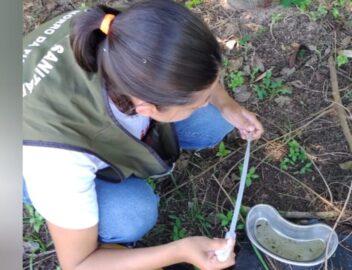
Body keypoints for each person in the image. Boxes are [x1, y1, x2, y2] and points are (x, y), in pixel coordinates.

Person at [22, 0, 264, 269]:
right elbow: (79, 264)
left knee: (213, 121)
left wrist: (227, 105)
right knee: (130, 214)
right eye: (199, 100)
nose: (207, 102)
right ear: (147, 108)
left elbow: (197, 72)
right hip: (22, 151)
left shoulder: (132, 34)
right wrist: (179, 251)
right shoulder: (57, 159)